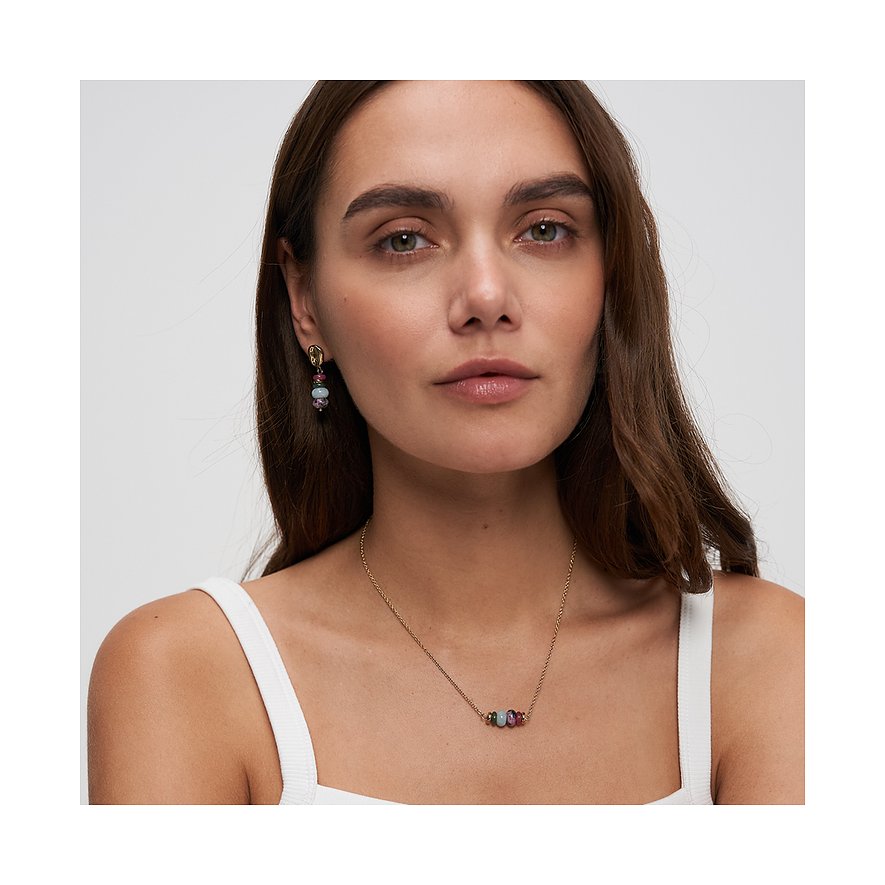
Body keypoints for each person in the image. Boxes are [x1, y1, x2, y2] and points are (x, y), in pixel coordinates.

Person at [87, 80, 804, 805]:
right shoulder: (188, 674)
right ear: (304, 301)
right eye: (404, 239)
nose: (486, 297)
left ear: (609, 273)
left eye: (544, 230)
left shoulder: (771, 660)